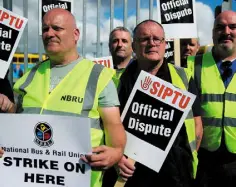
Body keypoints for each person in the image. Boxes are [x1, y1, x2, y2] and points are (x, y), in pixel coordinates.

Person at [0, 8, 126, 187]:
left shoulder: (98, 76)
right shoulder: (28, 75)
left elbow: (113, 123)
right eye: (45, 29)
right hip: (29, 180)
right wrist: (7, 109)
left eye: (57, 28)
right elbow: (18, 118)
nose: (49, 34)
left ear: (75, 34)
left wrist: (116, 151)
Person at [103, 19, 202, 187]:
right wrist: (115, 157)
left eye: (157, 39)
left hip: (175, 174)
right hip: (130, 174)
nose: (152, 43)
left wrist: (186, 157)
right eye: (145, 39)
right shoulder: (114, 81)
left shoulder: (184, 77)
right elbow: (104, 126)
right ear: (134, 46)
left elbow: (197, 125)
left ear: (164, 44)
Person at [187, 10, 236, 187]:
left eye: (233, 27)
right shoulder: (193, 64)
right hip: (204, 160)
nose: (227, 32)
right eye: (220, 27)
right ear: (213, 32)